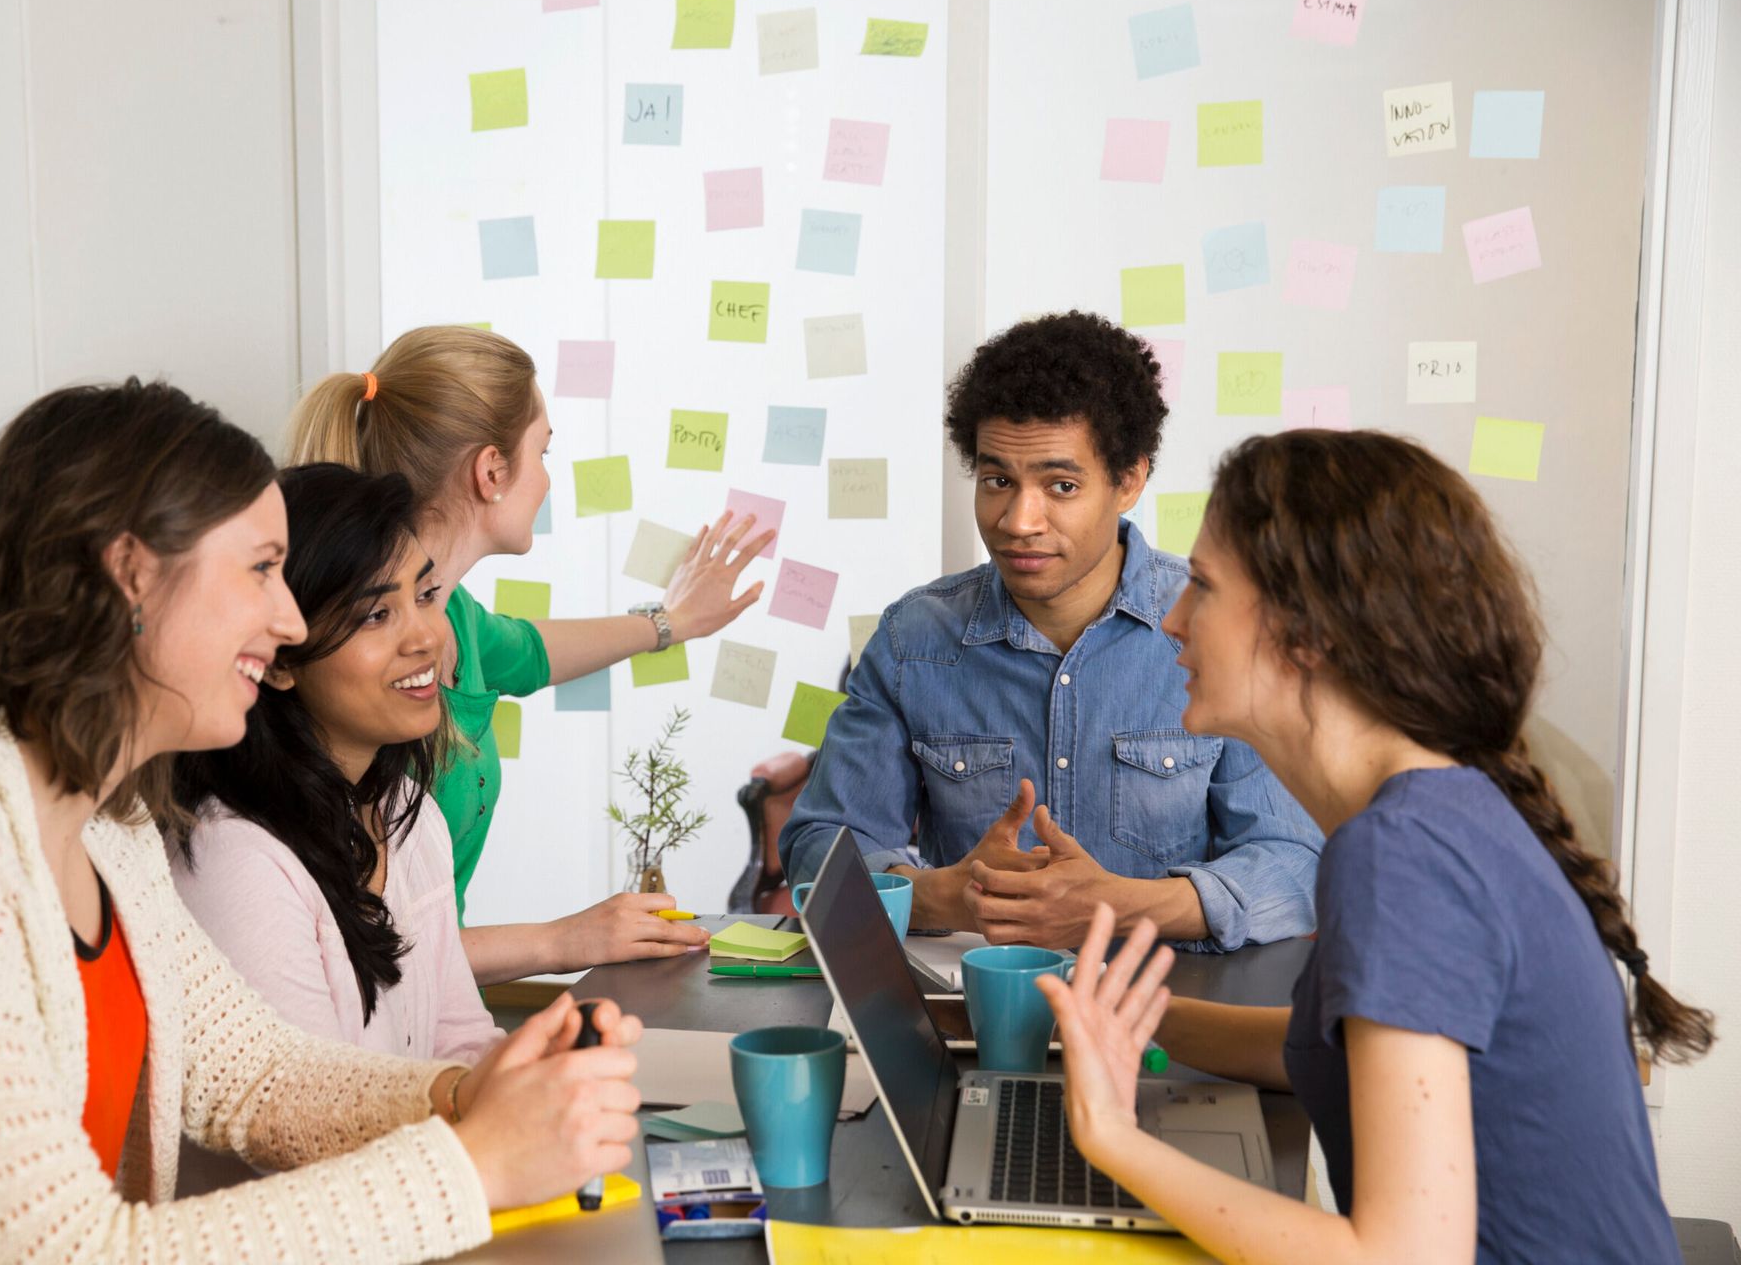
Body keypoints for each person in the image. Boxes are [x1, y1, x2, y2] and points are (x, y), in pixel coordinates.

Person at [0, 380, 644, 1262]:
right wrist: (472, 1166)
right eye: (260, 569)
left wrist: (477, 1092)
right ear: (130, 572)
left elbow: (259, 1078)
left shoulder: (112, 832)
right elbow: (55, 1251)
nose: (287, 620)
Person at [1042, 430, 1712, 1263]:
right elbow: (1329, 1047)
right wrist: (1138, 1024)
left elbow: (1401, 1257)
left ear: (1308, 633)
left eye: (1204, 587)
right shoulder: (1437, 810)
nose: (1173, 618)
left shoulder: (1398, 854)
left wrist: (1110, 1135)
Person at [779, 312, 1321, 952]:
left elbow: (1293, 862)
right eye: (997, 481)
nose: (1017, 520)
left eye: (1060, 485)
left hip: (1176, 1014)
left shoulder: (1220, 628)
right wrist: (943, 896)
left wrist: (1125, 908)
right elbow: (821, 850)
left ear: (1129, 480)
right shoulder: (914, 640)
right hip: (973, 1011)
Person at [289, 325, 767, 977]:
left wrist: (673, 621)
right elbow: (358, 952)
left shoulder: (453, 616)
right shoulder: (376, 672)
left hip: (442, 1023)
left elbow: (536, 650)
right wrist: (565, 941)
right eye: (543, 450)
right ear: (491, 471)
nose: (546, 479)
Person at [168, 463, 504, 1191]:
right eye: (376, 615)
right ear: (282, 658)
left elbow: (460, 1039)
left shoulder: (407, 819)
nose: (425, 638)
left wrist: (529, 1083)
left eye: (425, 595)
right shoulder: (236, 857)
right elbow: (300, 1140)